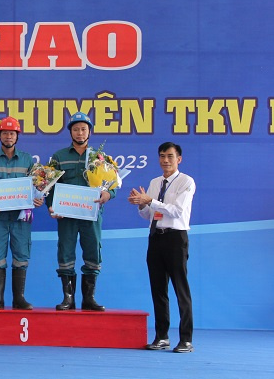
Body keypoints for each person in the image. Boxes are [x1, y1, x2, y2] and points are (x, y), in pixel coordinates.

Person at [127, 142, 196, 353]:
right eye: (162, 156)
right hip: (155, 238)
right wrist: (142, 204)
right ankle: (162, 336)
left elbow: (176, 211)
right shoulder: (155, 182)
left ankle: (186, 339)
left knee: (180, 289)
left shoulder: (186, 181)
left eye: (170, 156)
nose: (165, 160)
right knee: (158, 289)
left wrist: (151, 201)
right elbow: (148, 215)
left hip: (175, 239)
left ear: (179, 159)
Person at [46, 112, 116, 311]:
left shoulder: (100, 157)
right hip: (66, 215)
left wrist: (108, 194)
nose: (79, 133)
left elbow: (112, 184)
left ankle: (89, 298)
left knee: (93, 251)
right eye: (76, 129)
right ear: (71, 132)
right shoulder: (59, 157)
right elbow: (48, 185)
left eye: (83, 129)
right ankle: (68, 298)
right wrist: (51, 206)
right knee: (65, 252)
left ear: (89, 132)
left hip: (91, 215)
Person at [0, 116, 44, 310]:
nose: (8, 136)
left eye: (12, 133)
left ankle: (19, 299)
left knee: (21, 256)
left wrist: (38, 198)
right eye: (5, 133)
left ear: (17, 136)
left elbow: (36, 187)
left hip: (20, 218)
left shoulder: (27, 160)